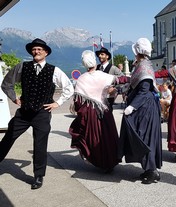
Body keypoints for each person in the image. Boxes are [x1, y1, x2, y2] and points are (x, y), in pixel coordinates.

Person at [0, 38, 74, 190]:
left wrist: (57, 103)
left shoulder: (55, 70)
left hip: (42, 113)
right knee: (9, 137)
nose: (36, 51)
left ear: (46, 52)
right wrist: (14, 98)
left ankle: (39, 176)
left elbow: (69, 88)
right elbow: (6, 83)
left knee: (40, 145)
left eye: (40, 49)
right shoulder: (22, 66)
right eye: (34, 49)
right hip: (24, 113)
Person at [69, 50, 129, 172]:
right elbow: (121, 80)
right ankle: (109, 161)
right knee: (107, 137)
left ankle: (98, 160)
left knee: (93, 137)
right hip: (104, 110)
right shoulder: (103, 75)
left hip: (89, 113)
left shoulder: (81, 79)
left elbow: (78, 102)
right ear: (95, 63)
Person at [119, 38, 162, 184]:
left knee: (145, 138)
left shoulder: (144, 67)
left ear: (138, 51)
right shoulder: (143, 65)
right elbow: (134, 85)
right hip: (144, 106)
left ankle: (152, 171)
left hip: (145, 108)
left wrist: (131, 107)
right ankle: (148, 169)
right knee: (143, 137)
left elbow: (143, 90)